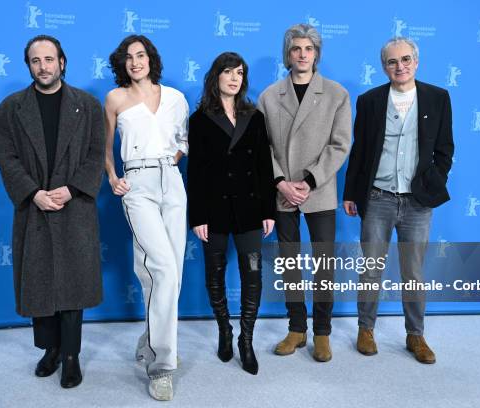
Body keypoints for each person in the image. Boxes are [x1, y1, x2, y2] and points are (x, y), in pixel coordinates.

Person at [0, 35, 105, 388]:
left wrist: (71, 190)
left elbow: (95, 155)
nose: (43, 66)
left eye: (49, 59)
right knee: (39, 284)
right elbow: (7, 159)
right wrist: (32, 193)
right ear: (28, 65)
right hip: (35, 208)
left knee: (73, 286)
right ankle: (50, 349)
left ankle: (71, 356)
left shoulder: (87, 106)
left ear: (63, 62)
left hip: (75, 207)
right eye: (35, 60)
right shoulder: (10, 108)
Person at [343, 37, 454, 364]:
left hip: (418, 202)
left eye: (405, 60)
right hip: (377, 198)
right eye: (392, 62)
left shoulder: (438, 98)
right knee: (372, 268)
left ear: (416, 62)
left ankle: (415, 335)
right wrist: (350, 193)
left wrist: (433, 182)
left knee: (413, 271)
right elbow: (359, 150)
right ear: (384, 66)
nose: (400, 66)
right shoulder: (370, 100)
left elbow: (445, 149)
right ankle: (366, 329)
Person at [258, 24, 351, 362]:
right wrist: (281, 181)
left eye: (308, 49)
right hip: (282, 191)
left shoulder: (337, 94)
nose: (302, 54)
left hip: (320, 191)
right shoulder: (269, 96)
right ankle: (296, 328)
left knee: (324, 264)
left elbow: (340, 145)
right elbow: (261, 146)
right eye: (296, 49)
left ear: (316, 53)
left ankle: (322, 332)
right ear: (288, 53)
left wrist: (309, 181)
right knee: (289, 263)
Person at [104, 35, 188, 401]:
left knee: (166, 273)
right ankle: (162, 367)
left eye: (140, 55)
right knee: (163, 268)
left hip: (172, 182)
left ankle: (150, 341)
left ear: (151, 58)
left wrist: (174, 161)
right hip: (136, 183)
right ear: (121, 64)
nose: (135, 61)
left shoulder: (175, 98)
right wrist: (113, 176)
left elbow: (183, 140)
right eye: (128, 57)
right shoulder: (115, 99)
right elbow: (104, 148)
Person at [187, 52, 276, 375]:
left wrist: (269, 210)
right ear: (216, 77)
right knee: (215, 272)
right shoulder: (199, 120)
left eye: (240, 72)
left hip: (251, 207)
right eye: (228, 72)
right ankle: (225, 330)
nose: (234, 78)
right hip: (213, 208)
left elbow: (264, 167)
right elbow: (194, 171)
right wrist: (196, 216)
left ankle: (246, 340)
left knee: (253, 274)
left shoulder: (255, 117)